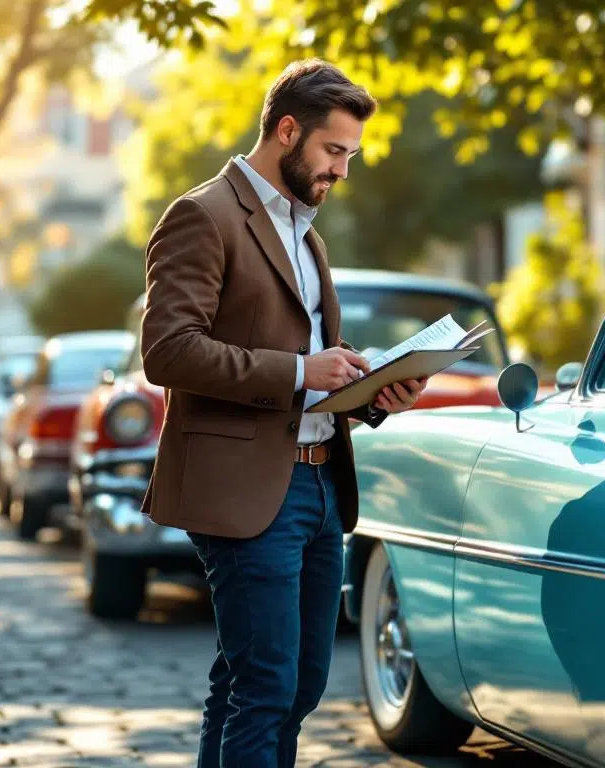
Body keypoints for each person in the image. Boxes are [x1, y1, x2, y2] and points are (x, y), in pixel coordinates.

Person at [138, 59, 428, 768]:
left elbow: (306, 359)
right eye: (334, 152)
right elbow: (168, 352)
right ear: (287, 130)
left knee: (287, 685)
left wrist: (368, 388)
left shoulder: (307, 233)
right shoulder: (201, 215)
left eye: (350, 156)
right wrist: (302, 374)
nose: (342, 171)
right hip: (247, 492)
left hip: (322, 487)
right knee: (265, 686)